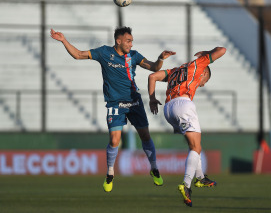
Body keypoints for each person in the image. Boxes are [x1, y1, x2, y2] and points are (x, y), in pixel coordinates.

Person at [50, 26, 176, 192]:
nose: (131, 44)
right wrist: (64, 40)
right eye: (128, 41)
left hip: (134, 102)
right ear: (118, 41)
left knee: (145, 136)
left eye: (132, 41)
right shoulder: (104, 53)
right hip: (115, 103)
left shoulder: (134, 55)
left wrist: (161, 58)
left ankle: (154, 168)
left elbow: (154, 67)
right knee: (114, 140)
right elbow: (78, 54)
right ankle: (110, 173)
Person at [148, 46, 226, 207]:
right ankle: (186, 184)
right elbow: (222, 50)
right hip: (183, 104)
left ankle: (201, 178)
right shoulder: (198, 65)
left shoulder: (174, 71)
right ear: (204, 73)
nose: (203, 85)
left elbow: (152, 76)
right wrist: (207, 53)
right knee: (195, 147)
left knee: (195, 146)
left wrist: (152, 98)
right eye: (205, 81)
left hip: (168, 109)